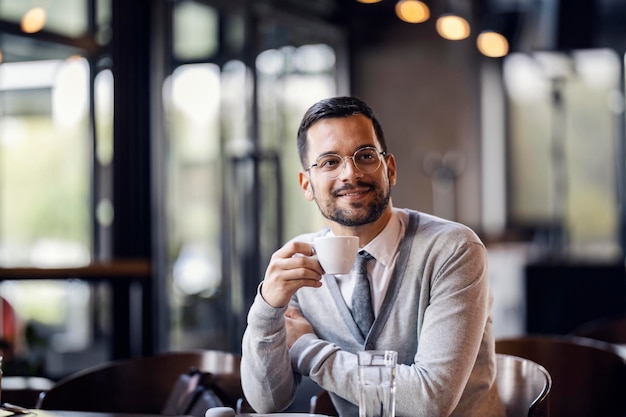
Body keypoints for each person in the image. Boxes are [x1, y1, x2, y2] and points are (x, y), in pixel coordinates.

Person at [240, 96, 505, 417]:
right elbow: (267, 401)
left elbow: (431, 400)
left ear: (389, 169)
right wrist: (266, 309)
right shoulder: (300, 261)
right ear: (306, 185)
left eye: (365, 156)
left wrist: (306, 349)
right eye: (329, 162)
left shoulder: (452, 248)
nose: (350, 174)